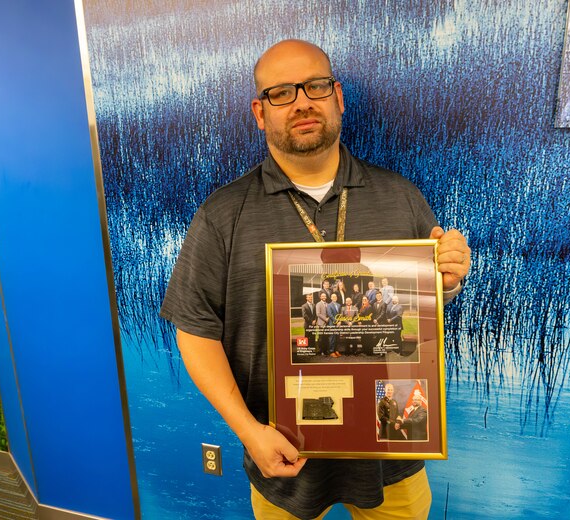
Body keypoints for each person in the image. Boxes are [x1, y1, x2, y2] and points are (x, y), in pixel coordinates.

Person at [160, 39, 470, 520]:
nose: (302, 101)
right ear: (260, 113)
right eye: (281, 93)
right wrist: (248, 432)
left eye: (315, 86)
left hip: (394, 456)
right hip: (283, 458)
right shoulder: (222, 215)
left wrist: (446, 282)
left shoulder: (401, 197)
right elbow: (195, 331)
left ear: (338, 97)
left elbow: (415, 319)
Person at [327, 293, 342, 357]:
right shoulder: (329, 305)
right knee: (332, 338)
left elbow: (340, 314)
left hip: (338, 324)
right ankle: (331, 351)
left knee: (337, 338)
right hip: (332, 324)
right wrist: (336, 321)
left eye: (335, 296)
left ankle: (336, 351)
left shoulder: (339, 305)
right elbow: (330, 315)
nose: (334, 298)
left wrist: (340, 321)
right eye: (333, 297)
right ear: (331, 298)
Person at [315, 291, 330, 355]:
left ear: (326, 297)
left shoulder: (328, 304)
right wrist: (325, 319)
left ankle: (326, 350)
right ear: (320, 297)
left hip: (327, 323)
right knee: (321, 337)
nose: (324, 297)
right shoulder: (318, 304)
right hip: (321, 323)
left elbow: (329, 313)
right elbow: (318, 314)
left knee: (326, 337)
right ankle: (321, 351)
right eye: (322, 296)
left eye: (325, 296)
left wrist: (328, 318)